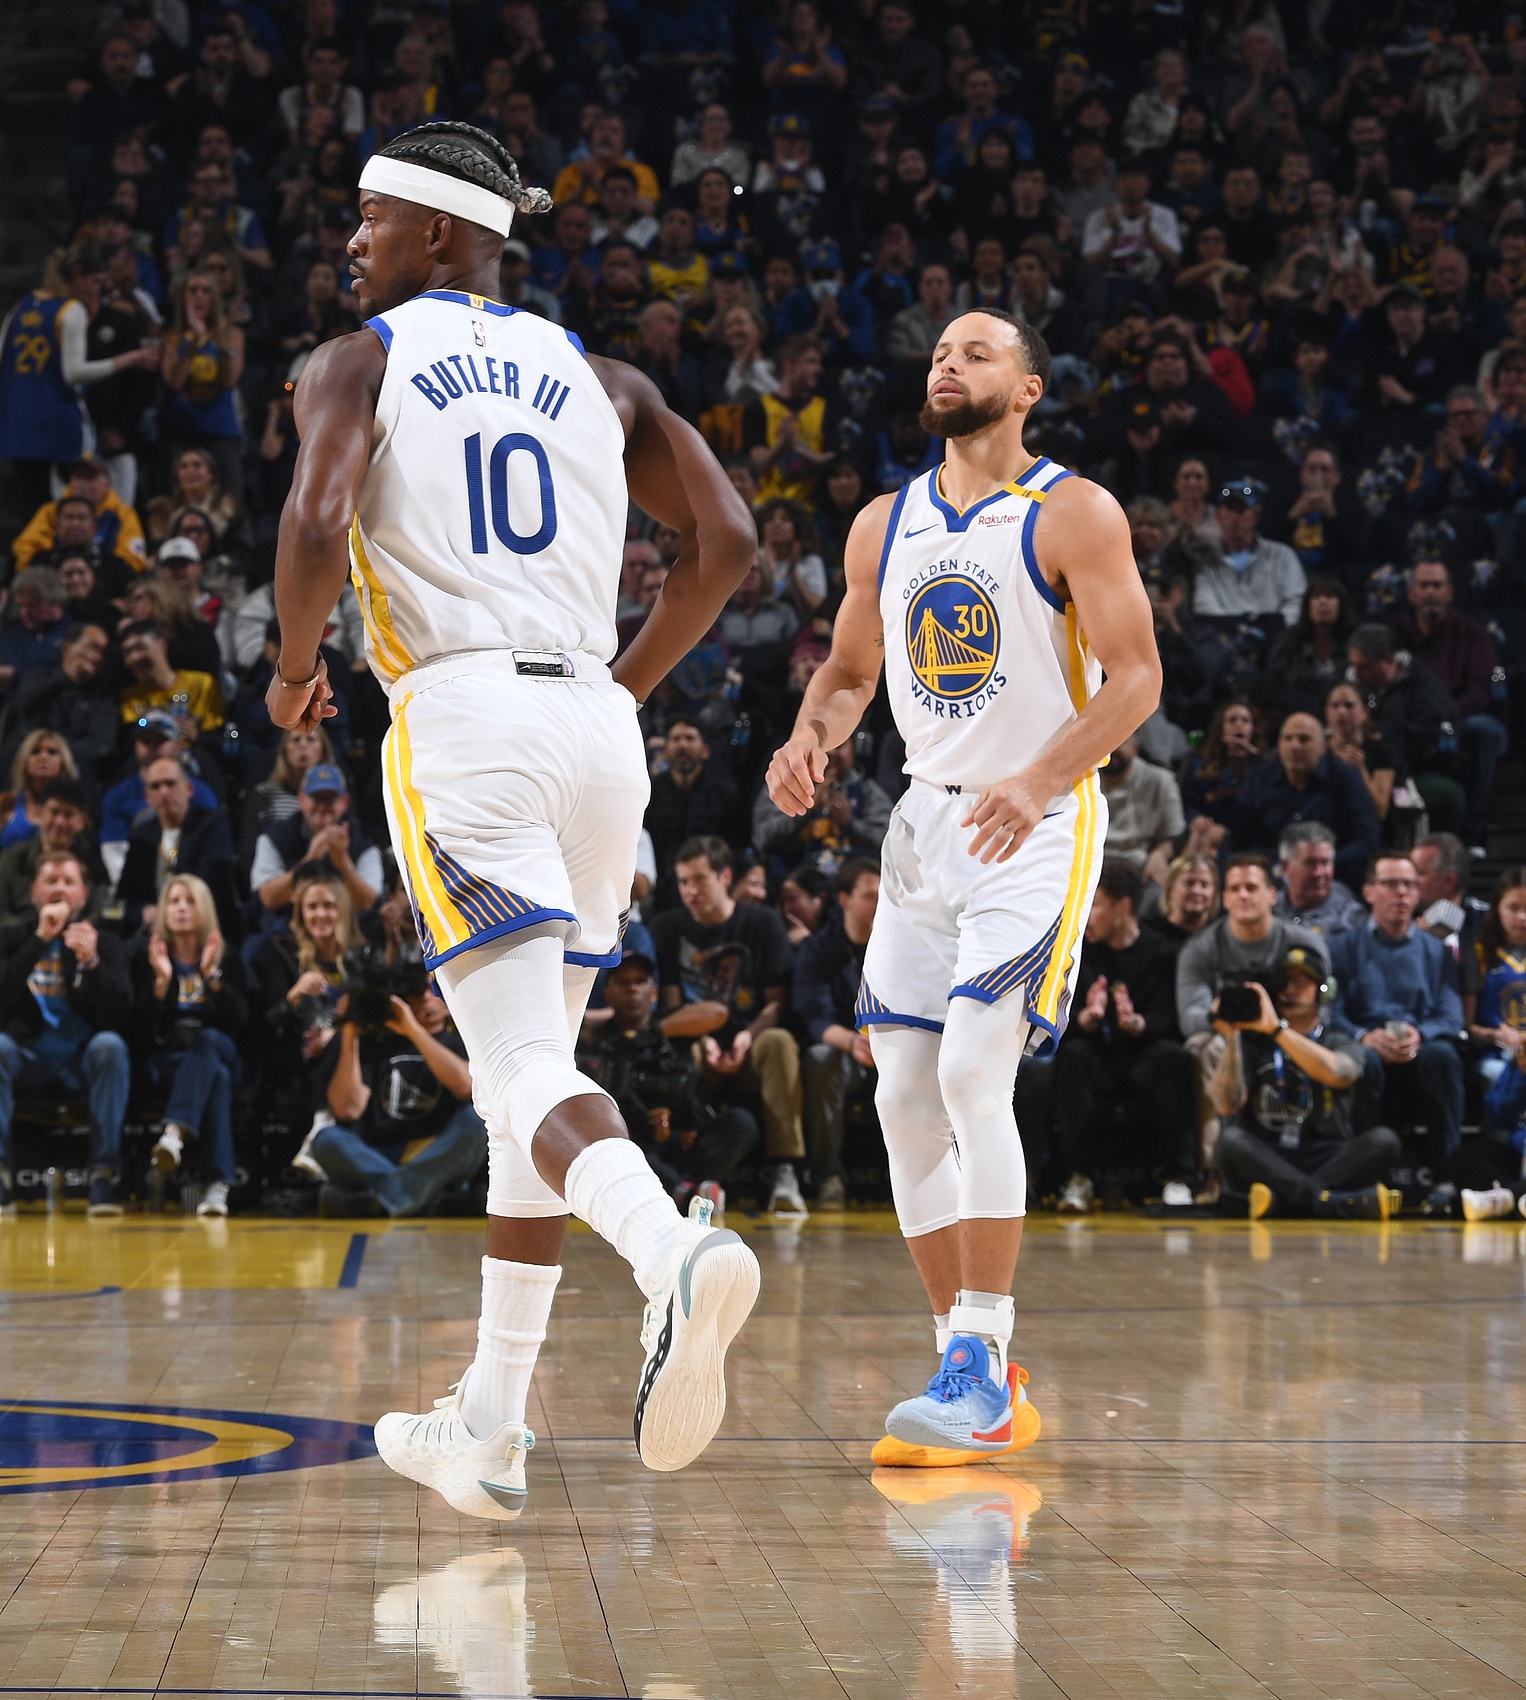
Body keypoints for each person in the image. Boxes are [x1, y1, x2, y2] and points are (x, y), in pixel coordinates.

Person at [265, 121, 759, 1514]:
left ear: (435, 230)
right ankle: (487, 1422)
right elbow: (726, 543)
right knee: (527, 1078)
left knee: (521, 1070)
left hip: (465, 716)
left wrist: (294, 672)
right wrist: (625, 685)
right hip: (596, 728)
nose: (351, 239)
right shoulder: (603, 379)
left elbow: (316, 518)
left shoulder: (358, 358)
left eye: (368, 216)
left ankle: (669, 1254)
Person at [765, 306, 1160, 1465]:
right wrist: (809, 734)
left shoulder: (1071, 511)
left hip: (1032, 818)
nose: (947, 363)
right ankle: (963, 1360)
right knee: (899, 1093)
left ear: (1027, 387)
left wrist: (1038, 779)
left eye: (975, 352)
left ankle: (981, 1357)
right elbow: (848, 671)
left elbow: (1134, 678)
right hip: (922, 822)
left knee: (973, 1073)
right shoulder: (882, 524)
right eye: (939, 351)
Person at [651, 836, 806, 1214]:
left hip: (751, 1042)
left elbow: (776, 1003)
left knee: (779, 1042)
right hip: (697, 1044)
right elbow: (672, 1007)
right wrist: (704, 1039)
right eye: (683, 881)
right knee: (679, 1051)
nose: (691, 891)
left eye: (700, 880)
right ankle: (686, 1165)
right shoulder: (667, 927)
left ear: (724, 877)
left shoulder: (762, 922)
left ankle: (786, 1169)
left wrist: (746, 1037)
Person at [1209, 947, 1402, 1220]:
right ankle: (1328, 1201)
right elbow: (1225, 1105)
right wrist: (1231, 1038)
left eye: (1301, 982)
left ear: (1323, 992)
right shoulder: (1253, 1042)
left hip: (1325, 1154)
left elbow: (1339, 1074)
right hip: (1270, 1154)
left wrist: (1277, 1030)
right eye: (1284, 983)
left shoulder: (1339, 1040)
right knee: (1231, 1142)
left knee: (1384, 1141)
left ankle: (1282, 1201)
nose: (1290, 990)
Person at [1052, 860, 1197, 1215]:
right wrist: (1086, 1017)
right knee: (1072, 1056)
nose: (1086, 916)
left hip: (1143, 1057)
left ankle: (1178, 1178)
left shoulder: (1162, 952)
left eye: (1095, 905)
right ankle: (1078, 1178)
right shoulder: (1079, 953)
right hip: (1098, 1055)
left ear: (1123, 907)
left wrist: (1136, 1023)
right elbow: (1061, 1018)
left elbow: (1168, 1020)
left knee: (1175, 1059)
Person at [1329, 853, 1466, 1215]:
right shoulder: (1341, 948)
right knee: (1363, 1060)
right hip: (1368, 1046)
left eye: (1409, 884)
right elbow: (1331, 1013)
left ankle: (1445, 1179)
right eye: (1391, 884)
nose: (1402, 893)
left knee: (1443, 1056)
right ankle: (1369, 1178)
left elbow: (1451, 1015)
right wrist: (1364, 1036)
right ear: (1369, 892)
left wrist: (1420, 1034)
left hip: (1417, 1050)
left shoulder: (1437, 952)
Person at [0, 852, 131, 1216]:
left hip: (80, 1060)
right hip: (29, 1057)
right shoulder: (11, 939)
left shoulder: (105, 943)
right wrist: (40, 940)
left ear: (83, 895)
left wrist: (92, 963)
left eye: (69, 882)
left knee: (110, 1046)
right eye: (51, 881)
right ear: (34, 892)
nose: (59, 889)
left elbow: (119, 1015)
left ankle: (103, 1175)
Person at [579, 951, 757, 1218]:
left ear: (654, 993)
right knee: (617, 1146)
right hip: (637, 1148)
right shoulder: (599, 1041)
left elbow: (719, 1012)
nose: (632, 988)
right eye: (623, 982)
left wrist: (655, 1032)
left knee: (741, 1123)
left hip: (686, 1142)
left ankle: (680, 1189)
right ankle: (687, 1193)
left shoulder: (675, 1026)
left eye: (640, 981)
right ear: (608, 994)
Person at [313, 959, 489, 1219]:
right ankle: (422, 1196)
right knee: (327, 1139)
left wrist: (413, 1030)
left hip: (435, 1150)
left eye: (434, 989)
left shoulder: (460, 1042)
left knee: (478, 1121)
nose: (426, 997)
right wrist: (349, 1032)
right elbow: (347, 1109)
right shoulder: (373, 1042)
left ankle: (384, 1199)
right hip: (376, 1153)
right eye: (417, 991)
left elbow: (465, 1087)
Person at [134, 873, 247, 1218]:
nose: (181, 908)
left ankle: (173, 1132)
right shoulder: (148, 958)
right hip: (172, 1058)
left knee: (208, 1042)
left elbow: (242, 1022)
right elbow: (138, 1031)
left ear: (205, 909)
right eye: (173, 901)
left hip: (221, 1048)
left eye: (190, 901)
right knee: (215, 1078)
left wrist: (212, 977)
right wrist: (161, 983)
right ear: (163, 911)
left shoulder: (227, 958)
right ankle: (218, 1186)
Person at [1388, 559, 1507, 849]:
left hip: (1461, 717)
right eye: (1424, 585)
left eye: (1437, 585)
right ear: (1411, 594)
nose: (1431, 592)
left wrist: (1448, 718)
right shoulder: (1395, 634)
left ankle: (1474, 833)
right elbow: (1380, 686)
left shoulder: (1472, 632)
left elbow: (1484, 689)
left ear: (1450, 592)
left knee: (1485, 731)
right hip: (1412, 721)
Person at [795, 857, 879, 1209]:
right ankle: (828, 1176)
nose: (880, 904)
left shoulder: (901, 946)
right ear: (844, 900)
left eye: (885, 896)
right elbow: (815, 1019)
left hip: (897, 1048)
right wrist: (854, 1042)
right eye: (870, 896)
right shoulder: (819, 949)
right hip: (849, 1051)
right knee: (820, 1058)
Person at [1231, 712, 1380, 889]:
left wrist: (1319, 863)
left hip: (1332, 877)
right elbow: (1240, 838)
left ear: (1323, 747)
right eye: (1288, 739)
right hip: (1271, 875)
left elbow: (1367, 841)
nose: (1295, 746)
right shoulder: (1260, 778)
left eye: (1304, 739)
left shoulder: (1346, 779)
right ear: (1279, 744)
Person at [1347, 623, 1467, 837]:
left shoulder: (1423, 689)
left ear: (1389, 661)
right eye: (1354, 665)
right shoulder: (1354, 682)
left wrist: (1379, 738)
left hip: (1411, 767)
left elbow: (1421, 739)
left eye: (1365, 667)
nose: (1356, 673)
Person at [117, 755, 239, 937]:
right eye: (155, 786)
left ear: (189, 789)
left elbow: (215, 884)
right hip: (154, 936)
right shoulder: (141, 835)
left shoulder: (212, 825)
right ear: (147, 796)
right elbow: (127, 896)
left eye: (170, 783)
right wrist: (143, 911)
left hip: (206, 930)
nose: (164, 792)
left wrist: (168, 913)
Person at [251, 763, 382, 918]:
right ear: (301, 799)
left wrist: (342, 860)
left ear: (345, 802)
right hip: (288, 927)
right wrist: (310, 859)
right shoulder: (275, 838)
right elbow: (268, 898)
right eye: (317, 798)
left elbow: (368, 902)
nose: (323, 806)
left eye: (330, 799)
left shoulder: (364, 841)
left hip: (350, 927)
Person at [1191, 479, 1307, 625]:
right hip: (1224, 634)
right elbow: (1204, 605)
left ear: (1255, 516)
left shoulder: (1282, 556)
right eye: (1229, 510)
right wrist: (1237, 628)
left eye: (1241, 510)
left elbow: (1296, 600)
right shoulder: (1207, 562)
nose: (1234, 517)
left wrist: (1273, 626)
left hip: (1276, 635)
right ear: (1218, 515)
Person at [0, 779, 107, 929]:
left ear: (82, 820)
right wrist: (38, 932)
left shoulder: (93, 864)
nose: (59, 822)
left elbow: (98, 913)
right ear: (40, 812)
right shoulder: (13, 859)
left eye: (68, 814)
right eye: (54, 812)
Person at [1097, 736, 1184, 889]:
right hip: (1093, 862)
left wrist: (1160, 854)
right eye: (1108, 740)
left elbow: (1174, 834)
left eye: (1121, 741)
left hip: (1140, 866)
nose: (1113, 748)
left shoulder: (1160, 780)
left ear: (1136, 748)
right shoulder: (1081, 781)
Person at [1273, 821, 1366, 936]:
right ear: (1286, 867)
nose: (1319, 873)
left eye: (1325, 863)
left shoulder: (1351, 919)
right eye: (1310, 863)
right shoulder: (1267, 910)